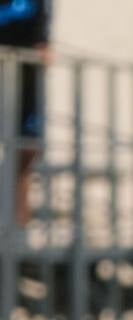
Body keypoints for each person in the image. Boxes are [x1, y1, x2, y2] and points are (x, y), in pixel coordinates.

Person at [0, 0, 51, 227]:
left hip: (24, 84)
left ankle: (18, 232)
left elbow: (42, 43)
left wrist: (43, 45)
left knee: (25, 152)